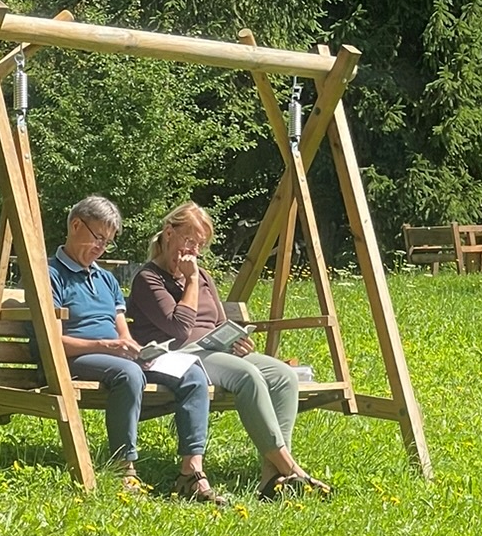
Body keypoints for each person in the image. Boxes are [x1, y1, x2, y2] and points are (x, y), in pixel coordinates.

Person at [127, 202, 330, 499]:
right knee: (247, 376)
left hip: (213, 352)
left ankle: (272, 476)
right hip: (179, 356)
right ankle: (290, 468)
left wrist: (236, 341)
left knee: (283, 375)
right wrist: (191, 279)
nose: (194, 251)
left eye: (200, 245)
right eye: (189, 240)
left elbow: (219, 322)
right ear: (169, 233)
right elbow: (180, 328)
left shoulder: (203, 276)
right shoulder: (149, 278)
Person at [48, 195, 226, 503]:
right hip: (72, 357)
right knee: (129, 373)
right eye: (98, 238)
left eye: (107, 242)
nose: (101, 248)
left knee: (191, 373)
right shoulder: (49, 275)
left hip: (116, 357)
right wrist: (107, 346)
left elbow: (122, 332)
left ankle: (191, 472)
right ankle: (124, 467)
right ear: (76, 225)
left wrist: (136, 349)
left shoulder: (106, 279)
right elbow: (50, 340)